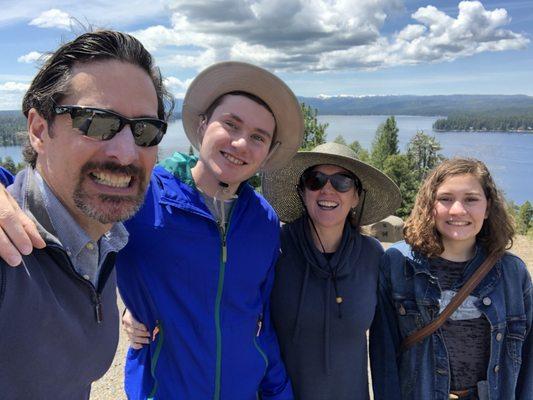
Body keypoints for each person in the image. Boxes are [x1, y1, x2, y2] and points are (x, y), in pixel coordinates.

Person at [0, 30, 172, 398]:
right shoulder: (7, 252)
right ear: (38, 129)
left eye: (144, 131)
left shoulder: (105, 241)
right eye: (95, 121)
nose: (126, 153)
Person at [117, 61, 304, 399]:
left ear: (267, 153)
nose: (241, 143)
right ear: (203, 125)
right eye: (230, 124)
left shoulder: (263, 221)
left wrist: (279, 392)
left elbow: (259, 320)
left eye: (259, 137)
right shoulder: (143, 197)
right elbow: (57, 200)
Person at [370, 158, 532, 400]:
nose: (458, 210)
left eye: (471, 199)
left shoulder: (512, 273)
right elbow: (384, 357)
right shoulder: (398, 265)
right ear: (430, 205)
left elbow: (528, 362)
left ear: (488, 208)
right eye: (445, 199)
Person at [261, 142, 401, 399]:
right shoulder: (275, 249)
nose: (327, 189)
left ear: (357, 195)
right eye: (316, 180)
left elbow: (385, 344)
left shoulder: (373, 256)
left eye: (342, 182)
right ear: (303, 191)